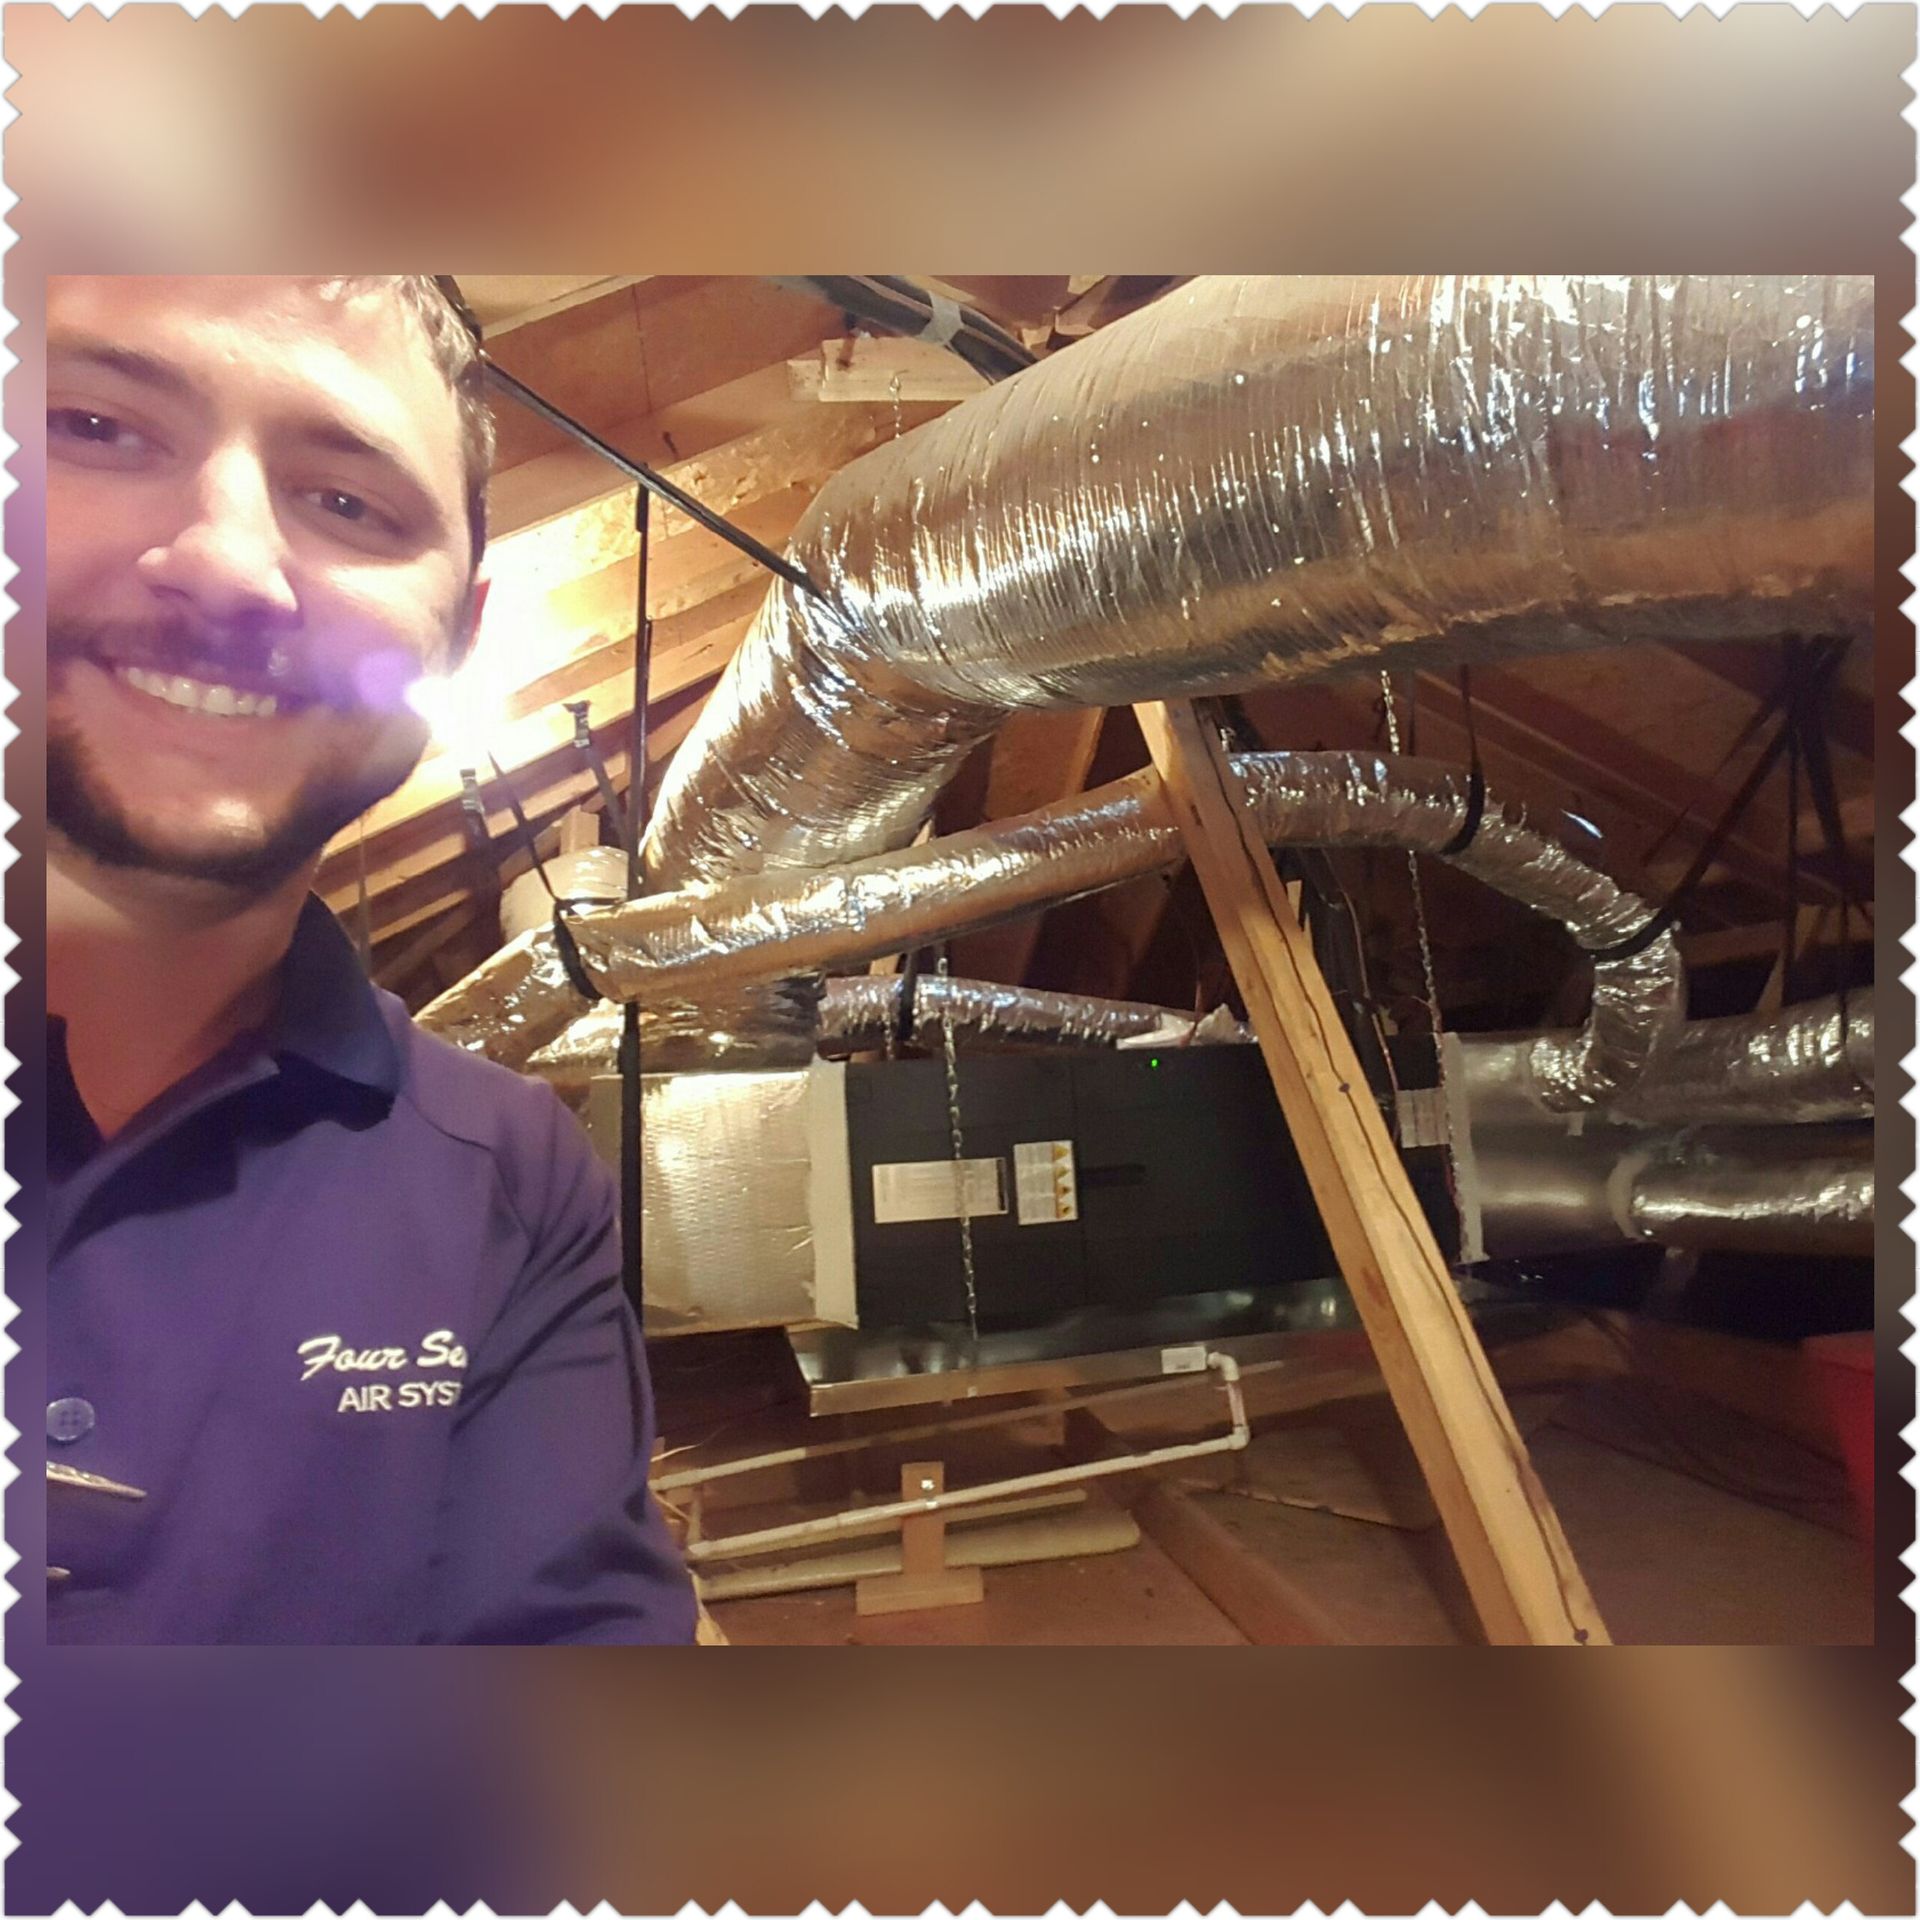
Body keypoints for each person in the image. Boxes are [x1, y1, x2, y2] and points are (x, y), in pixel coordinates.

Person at [43, 275, 697, 1643]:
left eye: (347, 504)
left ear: (459, 632)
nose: (225, 563)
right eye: (95, 424)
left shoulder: (508, 1182)